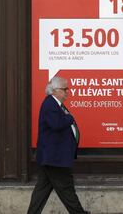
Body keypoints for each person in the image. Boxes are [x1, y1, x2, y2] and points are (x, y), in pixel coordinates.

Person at [27, 76, 90, 214]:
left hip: (52, 156)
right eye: (65, 89)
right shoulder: (50, 104)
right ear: (55, 90)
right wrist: (69, 117)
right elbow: (56, 124)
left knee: (42, 190)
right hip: (55, 158)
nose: (68, 91)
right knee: (66, 189)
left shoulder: (55, 104)